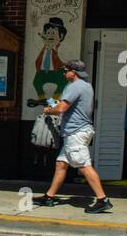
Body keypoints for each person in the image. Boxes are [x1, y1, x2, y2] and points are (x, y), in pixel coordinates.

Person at [34, 60, 113, 214]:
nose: (64, 73)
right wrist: (52, 104)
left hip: (75, 132)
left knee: (83, 165)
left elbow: (62, 108)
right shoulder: (86, 86)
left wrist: (48, 110)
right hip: (79, 131)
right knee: (61, 164)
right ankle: (49, 197)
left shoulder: (74, 86)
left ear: (73, 72)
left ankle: (103, 200)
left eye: (65, 70)